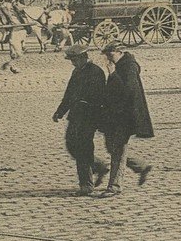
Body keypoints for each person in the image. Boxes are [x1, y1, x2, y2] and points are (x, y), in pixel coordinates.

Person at [53, 44, 110, 196]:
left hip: (89, 117)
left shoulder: (95, 72)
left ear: (84, 57)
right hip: (76, 116)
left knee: (83, 149)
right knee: (71, 145)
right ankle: (99, 165)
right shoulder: (77, 72)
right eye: (71, 60)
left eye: (75, 60)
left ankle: (86, 185)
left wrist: (84, 105)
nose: (72, 63)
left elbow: (97, 97)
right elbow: (69, 94)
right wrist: (60, 111)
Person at [98, 43, 153, 197]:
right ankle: (141, 166)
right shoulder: (120, 65)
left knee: (117, 150)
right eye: (107, 56)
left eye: (111, 55)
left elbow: (128, 90)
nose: (109, 59)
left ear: (119, 52)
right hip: (115, 115)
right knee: (111, 147)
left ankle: (114, 186)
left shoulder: (129, 67)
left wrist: (112, 74)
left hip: (125, 116)